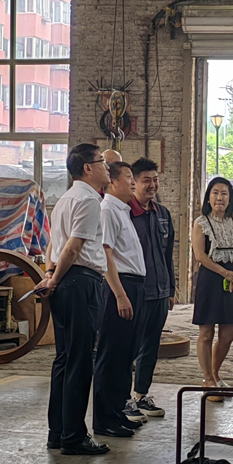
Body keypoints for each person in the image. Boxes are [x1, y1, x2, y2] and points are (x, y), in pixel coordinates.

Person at [34, 143, 111, 455]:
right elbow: (73, 247)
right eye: (102, 161)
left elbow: (54, 246)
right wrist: (53, 278)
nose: (107, 167)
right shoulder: (89, 200)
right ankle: (74, 437)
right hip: (80, 282)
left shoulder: (66, 198)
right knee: (80, 361)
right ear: (88, 168)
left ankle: (58, 432)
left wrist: (51, 275)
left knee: (64, 359)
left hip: (66, 281)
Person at [93, 161, 149, 434]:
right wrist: (120, 294)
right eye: (128, 177)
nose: (133, 182)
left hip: (133, 285)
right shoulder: (107, 210)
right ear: (113, 182)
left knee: (126, 355)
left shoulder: (123, 210)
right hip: (120, 286)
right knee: (112, 355)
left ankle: (117, 412)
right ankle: (105, 420)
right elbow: (106, 255)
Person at [191, 177, 233, 401]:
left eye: (224, 193)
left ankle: (215, 373)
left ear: (230, 198)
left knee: (228, 334)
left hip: (232, 281)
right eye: (215, 193)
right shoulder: (201, 223)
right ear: (208, 197)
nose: (219, 198)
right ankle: (207, 380)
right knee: (206, 333)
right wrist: (224, 273)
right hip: (211, 280)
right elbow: (200, 256)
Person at [128, 157, 175, 419]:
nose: (152, 185)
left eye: (155, 180)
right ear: (133, 183)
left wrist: (171, 289)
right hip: (136, 293)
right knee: (129, 347)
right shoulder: (125, 213)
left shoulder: (163, 214)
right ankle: (123, 399)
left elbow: (168, 255)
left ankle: (141, 395)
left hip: (159, 291)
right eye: (146, 180)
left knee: (151, 346)